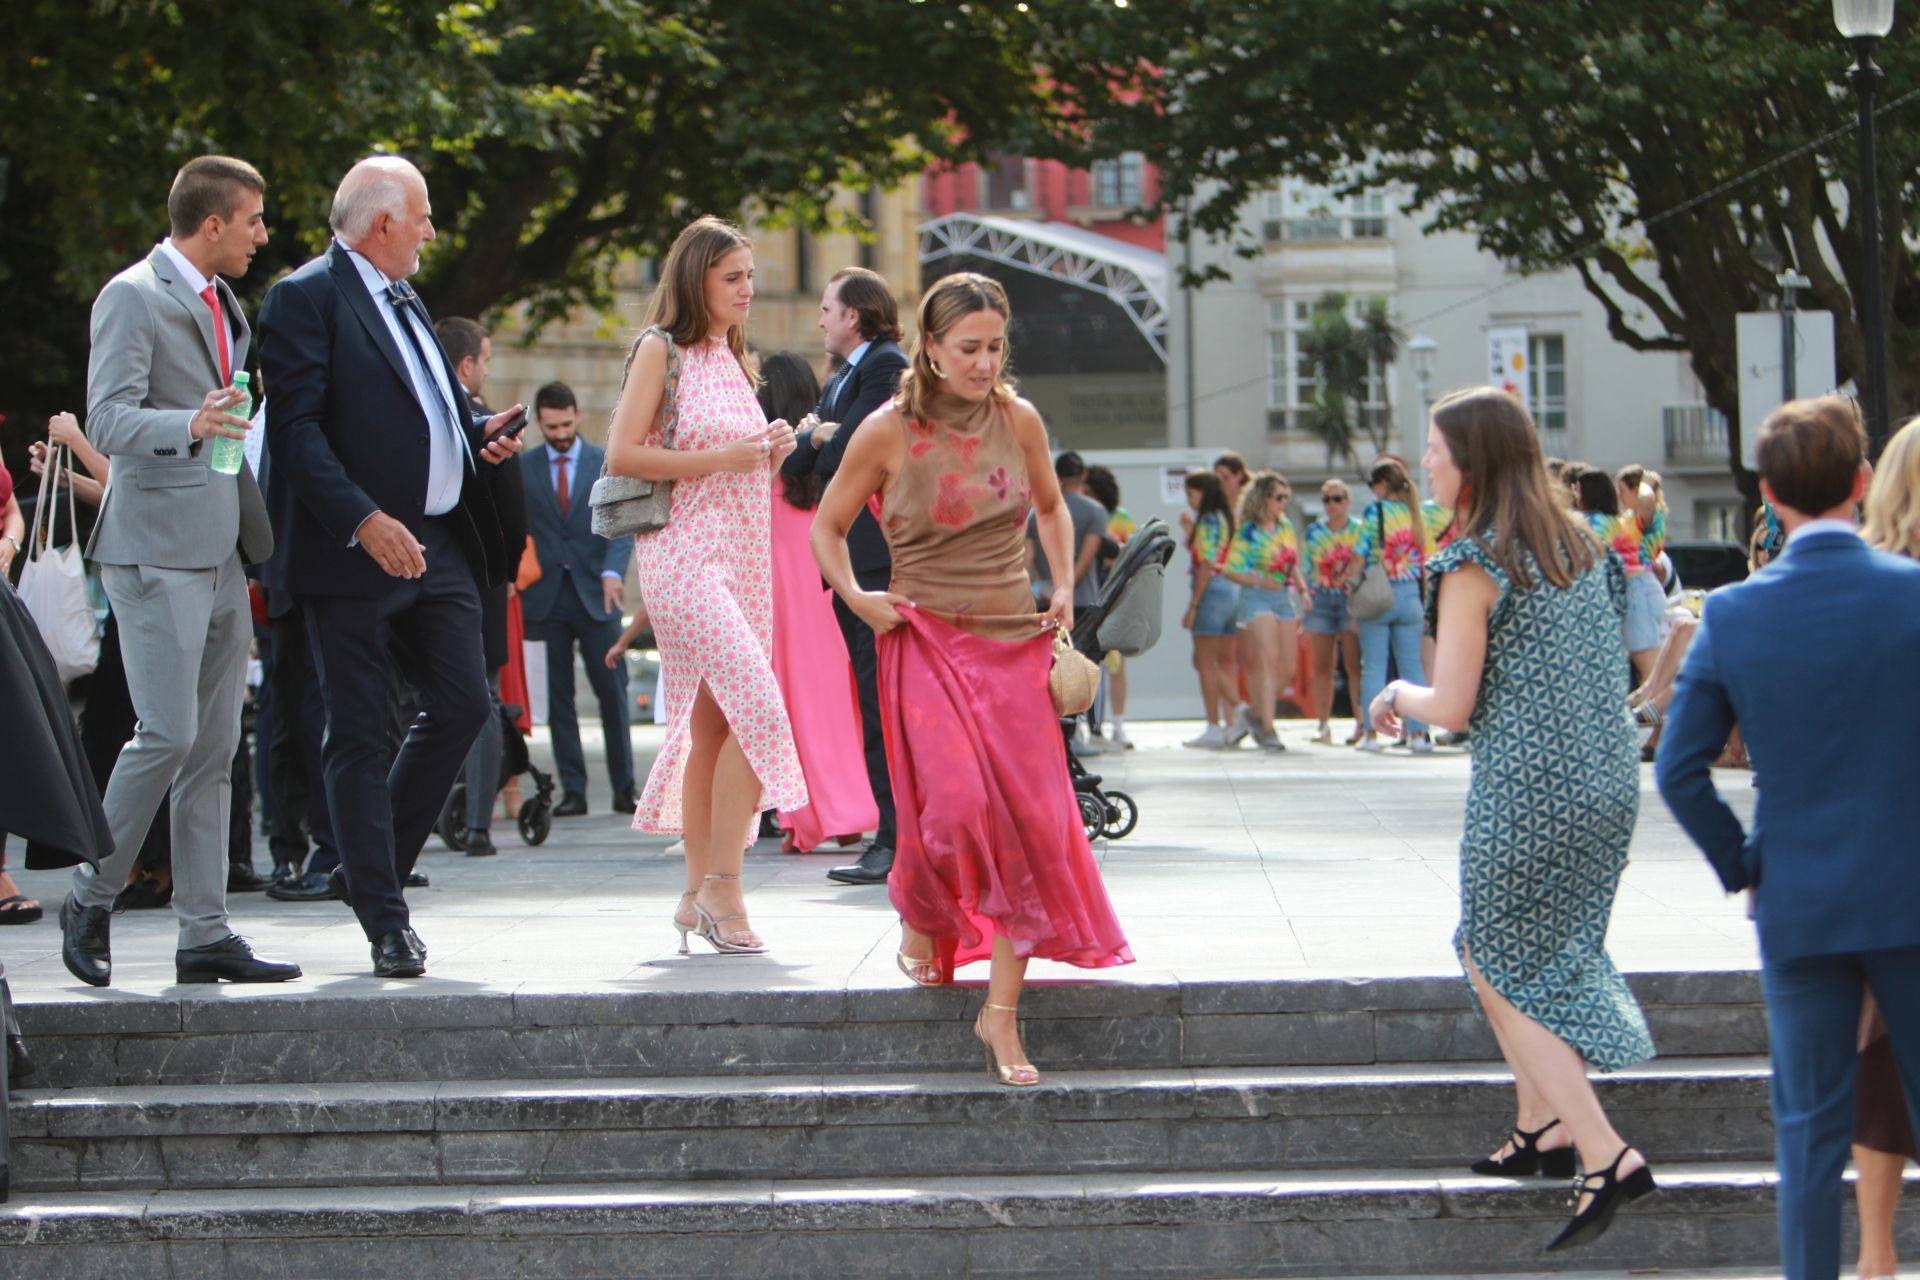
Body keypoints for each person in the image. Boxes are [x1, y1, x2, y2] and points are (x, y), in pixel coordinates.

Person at [810, 271, 1133, 1085]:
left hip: (1011, 643)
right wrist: (858, 597)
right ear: (930, 346)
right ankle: (924, 910)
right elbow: (829, 526)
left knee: (1026, 826)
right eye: (969, 349)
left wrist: (1061, 584)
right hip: (923, 639)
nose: (985, 363)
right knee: (954, 814)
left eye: (995, 347)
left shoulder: (1018, 418)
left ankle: (1002, 1016)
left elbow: (1054, 508)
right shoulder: (885, 431)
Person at [1373, 387, 1654, 1253]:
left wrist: (1392, 694)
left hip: (1530, 787)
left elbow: (1450, 704)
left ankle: (1603, 1151)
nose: (1425, 463)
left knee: (1496, 957)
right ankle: (1542, 1126)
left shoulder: (1471, 560)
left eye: (1434, 449)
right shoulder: (1581, 543)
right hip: (1606, 782)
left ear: (1473, 461)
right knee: (1528, 948)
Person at [1658, 396, 1920, 1280]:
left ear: (1766, 492)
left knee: (1808, 1129)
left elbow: (1678, 770)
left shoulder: (1733, 613)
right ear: (1859, 481)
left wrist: (1744, 864)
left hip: (1800, 900)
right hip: (1914, 896)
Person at [257, 155, 527, 979]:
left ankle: (364, 865)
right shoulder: (304, 297)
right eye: (424, 217)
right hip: (352, 551)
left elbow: (420, 414)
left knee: (462, 706)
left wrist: (475, 441)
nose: (432, 231)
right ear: (382, 224)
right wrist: (364, 519)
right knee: (358, 730)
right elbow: (299, 432)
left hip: (439, 544)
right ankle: (384, 913)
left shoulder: (405, 296)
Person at [56, 156, 300, 988]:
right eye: (255, 221)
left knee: (215, 748)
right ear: (212, 225)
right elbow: (108, 416)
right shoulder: (132, 294)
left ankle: (204, 932)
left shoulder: (224, 300)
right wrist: (191, 422)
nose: (263, 236)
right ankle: (89, 894)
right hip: (153, 547)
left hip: (222, 544)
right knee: (165, 733)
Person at [604, 215, 806, 955]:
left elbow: (740, 468)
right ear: (697, 280)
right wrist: (724, 457)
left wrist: (769, 452)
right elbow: (624, 451)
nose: (748, 288)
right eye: (733, 277)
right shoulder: (662, 349)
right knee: (759, 704)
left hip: (745, 556)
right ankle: (725, 884)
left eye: (750, 274)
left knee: (715, 727)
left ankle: (695, 893)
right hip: (683, 557)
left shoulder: (733, 356)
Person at [782, 267, 908, 886]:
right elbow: (799, 463)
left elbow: (844, 451)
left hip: (879, 563)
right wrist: (823, 436)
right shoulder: (842, 378)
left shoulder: (886, 366)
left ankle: (896, 839)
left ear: (854, 314)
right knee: (871, 701)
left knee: (885, 705)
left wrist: (824, 435)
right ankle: (894, 835)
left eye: (828, 308)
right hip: (851, 563)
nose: (821, 318)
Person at [761, 349, 876, 853]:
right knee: (843, 704)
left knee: (795, 707)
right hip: (833, 582)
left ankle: (804, 821)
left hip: (784, 596)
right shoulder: (829, 446)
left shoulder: (770, 452)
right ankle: (854, 808)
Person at [520, 380, 634, 819]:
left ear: (577, 415)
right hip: (545, 598)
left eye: (566, 424)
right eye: (551, 427)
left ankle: (625, 789)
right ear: (539, 423)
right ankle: (574, 791)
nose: (560, 433)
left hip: (596, 594)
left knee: (613, 693)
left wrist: (611, 572)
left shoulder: (602, 462)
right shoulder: (524, 467)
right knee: (559, 699)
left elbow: (620, 521)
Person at [439, 316, 526, 856]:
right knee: (485, 698)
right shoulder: (490, 424)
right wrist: (506, 573)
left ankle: (433, 810)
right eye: (486, 360)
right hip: (485, 580)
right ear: (467, 365)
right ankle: (476, 824)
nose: (487, 370)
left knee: (419, 699)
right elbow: (514, 516)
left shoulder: (418, 419)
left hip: (426, 572)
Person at [1221, 470, 1308, 751]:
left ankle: (1255, 713)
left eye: (1286, 497)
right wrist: (1260, 580)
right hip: (1257, 597)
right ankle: (1268, 727)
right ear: (1263, 498)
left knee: (1288, 668)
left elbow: (1292, 562)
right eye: (1278, 497)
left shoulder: (1284, 527)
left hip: (1284, 597)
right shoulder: (1248, 532)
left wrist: (1304, 591)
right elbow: (1231, 570)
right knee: (1267, 660)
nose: (1283, 502)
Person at [1351, 458, 1432, 753]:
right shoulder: (1415, 513)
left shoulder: (1376, 511)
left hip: (1379, 594)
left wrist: (1349, 581)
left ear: (1383, 484)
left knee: (1373, 664)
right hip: (1411, 594)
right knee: (1412, 666)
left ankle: (1371, 735)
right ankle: (1418, 735)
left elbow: (1360, 553)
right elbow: (1426, 558)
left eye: (1374, 485)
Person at [1303, 478, 1365, 746]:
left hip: (1350, 599)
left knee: (1353, 664)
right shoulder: (1314, 531)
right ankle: (1323, 723)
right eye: (1327, 499)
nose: (1332, 504)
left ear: (1348, 501)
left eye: (1338, 498)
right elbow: (1306, 565)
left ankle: (1361, 722)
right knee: (1322, 665)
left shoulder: (1359, 530)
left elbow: (1365, 563)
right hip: (1322, 599)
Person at [1180, 470, 1240, 748]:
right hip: (1230, 591)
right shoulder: (1224, 518)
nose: (1189, 499)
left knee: (1205, 662)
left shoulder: (1205, 520)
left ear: (1202, 493)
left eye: (1191, 493)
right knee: (1215, 661)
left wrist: (1193, 605)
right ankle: (1238, 715)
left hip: (1210, 592)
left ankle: (1216, 725)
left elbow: (1205, 563)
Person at [1084, 464, 1134, 749]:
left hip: (1112, 594)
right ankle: (1096, 725)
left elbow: (1128, 557)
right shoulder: (1092, 516)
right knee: (1096, 664)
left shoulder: (1119, 519)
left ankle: (1118, 724)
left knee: (1116, 664)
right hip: (1097, 592)